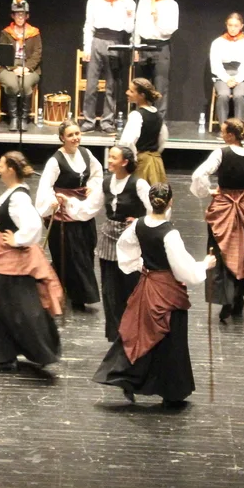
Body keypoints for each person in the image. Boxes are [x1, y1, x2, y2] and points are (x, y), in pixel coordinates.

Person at [93, 182, 217, 405]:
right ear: (170, 202)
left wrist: (140, 266)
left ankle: (129, 378)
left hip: (147, 286)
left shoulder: (138, 225)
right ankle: (170, 391)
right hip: (166, 291)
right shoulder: (170, 234)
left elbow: (124, 247)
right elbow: (183, 270)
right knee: (169, 340)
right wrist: (204, 265)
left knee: (141, 333)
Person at [0, 151, 65, 372]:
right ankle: (13, 353)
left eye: (1, 166)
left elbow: (33, 225)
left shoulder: (18, 197)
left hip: (15, 262)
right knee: (9, 307)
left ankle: (36, 349)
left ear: (11, 170)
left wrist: (17, 240)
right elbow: (12, 223)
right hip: (8, 261)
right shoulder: (13, 194)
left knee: (17, 308)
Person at [190, 117, 244, 321]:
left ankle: (226, 297)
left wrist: (207, 191)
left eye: (223, 131)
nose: (221, 135)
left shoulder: (221, 153)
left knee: (220, 249)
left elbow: (199, 174)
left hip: (224, 204)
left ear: (230, 135)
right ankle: (239, 295)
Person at [36, 119, 104, 310]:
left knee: (86, 249)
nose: (75, 138)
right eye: (70, 135)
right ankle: (78, 295)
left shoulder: (86, 154)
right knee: (72, 256)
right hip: (64, 214)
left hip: (83, 209)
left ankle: (63, 288)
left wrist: (92, 187)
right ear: (62, 138)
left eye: (77, 133)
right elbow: (45, 186)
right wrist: (52, 201)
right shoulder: (55, 161)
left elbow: (97, 174)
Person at [96, 145, 151, 341]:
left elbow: (156, 210)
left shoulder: (138, 184)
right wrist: (68, 203)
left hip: (131, 240)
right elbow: (90, 207)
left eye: (113, 157)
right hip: (109, 240)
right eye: (109, 157)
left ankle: (133, 332)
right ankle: (116, 335)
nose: (109, 160)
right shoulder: (105, 183)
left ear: (125, 162)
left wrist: (140, 221)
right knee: (110, 291)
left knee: (130, 288)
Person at [81, 0, 136, 133]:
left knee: (112, 84)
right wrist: (87, 47)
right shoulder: (95, 0)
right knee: (91, 84)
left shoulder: (128, 2)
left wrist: (128, 15)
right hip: (97, 40)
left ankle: (107, 121)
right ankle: (88, 120)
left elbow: (129, 29)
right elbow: (88, 25)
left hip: (116, 41)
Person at [0, 0, 42, 132]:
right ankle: (14, 117)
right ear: (13, 16)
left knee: (25, 84)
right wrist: (14, 68)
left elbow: (37, 53)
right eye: (17, 14)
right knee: (12, 85)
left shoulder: (34, 32)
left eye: (22, 14)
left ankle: (24, 117)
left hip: (29, 67)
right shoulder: (6, 33)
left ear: (27, 16)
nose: (20, 17)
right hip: (9, 65)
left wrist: (27, 68)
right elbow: (2, 52)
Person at [133, 0, 179, 114]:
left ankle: (159, 120)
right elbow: (137, 25)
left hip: (161, 46)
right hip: (144, 46)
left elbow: (170, 30)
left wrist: (157, 18)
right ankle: (142, 117)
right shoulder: (143, 1)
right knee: (141, 86)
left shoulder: (171, 4)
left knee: (160, 85)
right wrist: (136, 47)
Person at [118, 78, 168, 185]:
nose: (127, 92)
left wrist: (132, 160)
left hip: (142, 163)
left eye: (131, 91)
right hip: (156, 162)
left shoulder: (136, 115)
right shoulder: (157, 115)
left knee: (139, 190)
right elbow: (163, 139)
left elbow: (127, 142)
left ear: (142, 95)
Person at [209, 12, 244, 127]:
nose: (233, 28)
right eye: (230, 25)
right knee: (223, 94)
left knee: (239, 95)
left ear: (241, 26)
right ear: (226, 25)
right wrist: (227, 79)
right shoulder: (218, 42)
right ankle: (223, 127)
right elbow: (215, 65)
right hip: (222, 76)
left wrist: (237, 79)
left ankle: (238, 128)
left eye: (236, 26)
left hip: (241, 76)